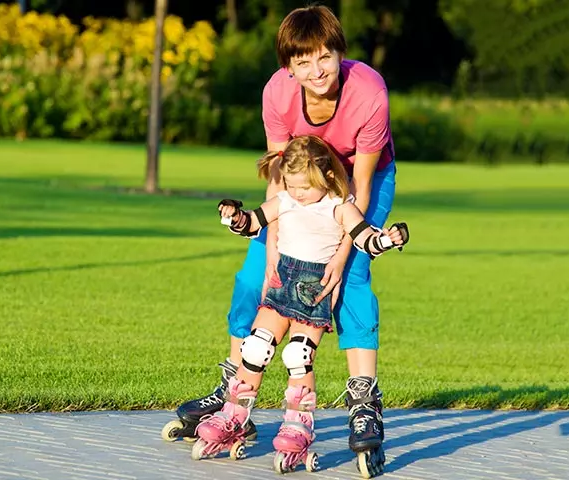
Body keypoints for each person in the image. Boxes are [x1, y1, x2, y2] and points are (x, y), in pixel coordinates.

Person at [167, 5, 397, 477]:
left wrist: (342, 251)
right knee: (256, 276)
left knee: (350, 278)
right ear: (288, 67)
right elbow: (277, 175)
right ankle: (235, 386)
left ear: (340, 53)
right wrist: (271, 246)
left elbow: (363, 182)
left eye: (326, 57)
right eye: (304, 62)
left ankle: (363, 398)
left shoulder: (369, 91)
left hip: (356, 184)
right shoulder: (277, 92)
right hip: (294, 187)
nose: (317, 71)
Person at [190, 136, 409, 475]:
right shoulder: (284, 201)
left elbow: (364, 237)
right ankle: (233, 415)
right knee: (255, 347)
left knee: (297, 355)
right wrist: (234, 216)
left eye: (304, 187)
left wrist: (386, 239)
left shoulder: (340, 205)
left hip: (313, 292)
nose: (297, 194)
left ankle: (298, 425)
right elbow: (253, 221)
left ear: (326, 176)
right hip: (280, 285)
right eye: (291, 186)